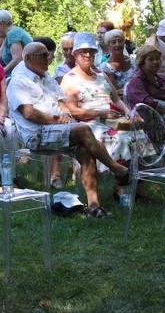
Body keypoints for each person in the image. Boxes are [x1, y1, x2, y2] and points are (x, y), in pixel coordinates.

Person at [7, 42, 131, 219]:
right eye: (43, 55)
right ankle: (117, 168)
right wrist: (57, 120)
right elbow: (29, 113)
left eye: (48, 54)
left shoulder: (47, 78)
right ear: (28, 58)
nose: (48, 59)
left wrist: (65, 115)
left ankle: (94, 207)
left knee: (85, 148)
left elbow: (63, 104)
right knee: (83, 129)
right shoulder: (19, 82)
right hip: (37, 135)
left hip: (59, 129)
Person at [60, 33, 142, 200]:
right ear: (75, 54)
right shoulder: (70, 79)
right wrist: (100, 113)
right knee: (119, 139)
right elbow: (72, 110)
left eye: (91, 51)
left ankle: (135, 186)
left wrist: (128, 112)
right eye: (84, 52)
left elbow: (116, 99)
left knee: (137, 135)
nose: (88, 55)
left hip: (110, 119)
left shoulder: (101, 75)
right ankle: (121, 182)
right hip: (87, 123)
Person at [123, 44, 165, 154]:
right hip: (150, 120)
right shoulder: (136, 81)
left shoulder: (161, 78)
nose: (155, 62)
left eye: (158, 58)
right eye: (151, 59)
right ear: (142, 62)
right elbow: (146, 102)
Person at [0, 10, 32, 75]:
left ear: (1, 24)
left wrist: (0, 73)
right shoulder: (9, 35)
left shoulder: (13, 34)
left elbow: (17, 59)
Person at [99, 29, 136, 95]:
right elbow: (116, 91)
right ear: (108, 45)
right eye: (113, 42)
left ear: (124, 43)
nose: (117, 44)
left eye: (120, 41)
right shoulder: (105, 67)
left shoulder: (133, 61)